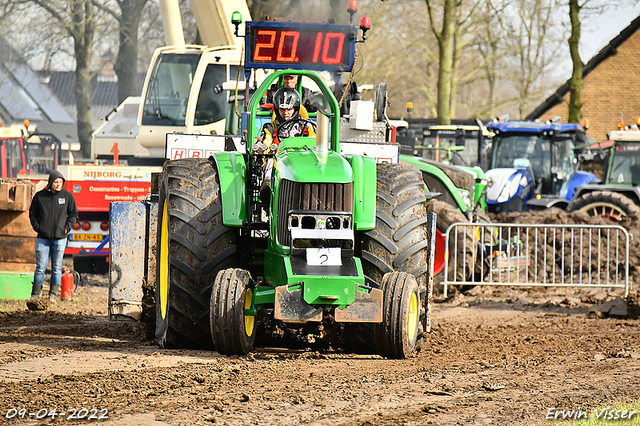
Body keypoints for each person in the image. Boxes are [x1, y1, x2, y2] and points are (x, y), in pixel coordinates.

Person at [258, 87, 316, 203]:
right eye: (282, 109)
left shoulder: (306, 126)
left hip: (301, 159)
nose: (286, 113)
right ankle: (267, 185)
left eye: (289, 109)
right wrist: (262, 148)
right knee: (269, 160)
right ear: (276, 109)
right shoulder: (270, 127)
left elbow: (314, 141)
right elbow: (267, 140)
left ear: (296, 108)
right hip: (279, 161)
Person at [29, 170, 78, 299]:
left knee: (56, 267)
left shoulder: (68, 197)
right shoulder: (40, 197)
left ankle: (53, 295)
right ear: (50, 183)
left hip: (60, 238)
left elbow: (73, 214)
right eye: (56, 182)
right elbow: (32, 213)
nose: (58, 184)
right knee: (40, 267)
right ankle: (35, 295)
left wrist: (67, 228)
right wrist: (37, 227)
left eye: (60, 182)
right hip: (42, 238)